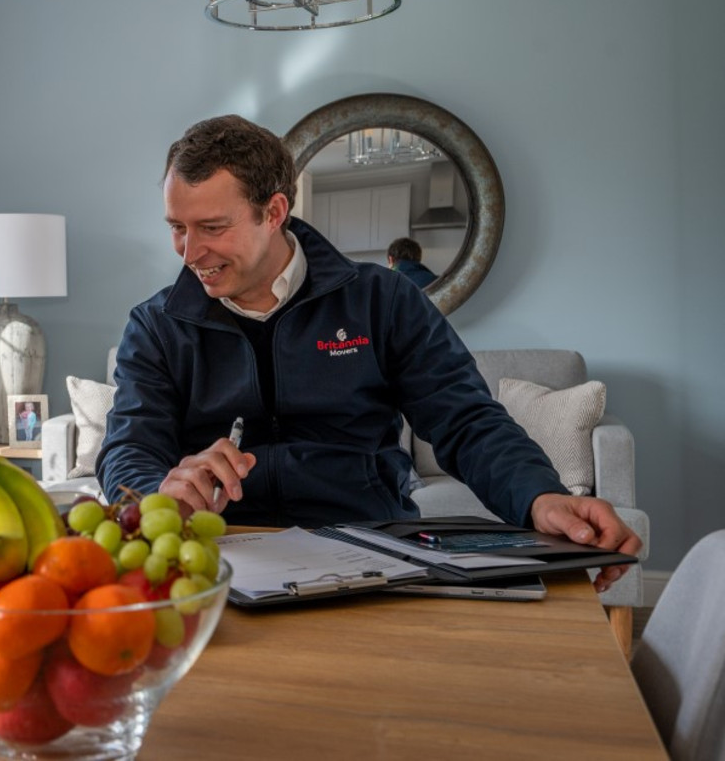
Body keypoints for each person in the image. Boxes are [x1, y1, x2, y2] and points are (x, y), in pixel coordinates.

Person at [95, 115, 640, 591]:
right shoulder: (156, 325)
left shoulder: (383, 300)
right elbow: (128, 448)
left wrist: (539, 496)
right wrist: (156, 493)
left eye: (212, 228)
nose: (190, 253)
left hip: (371, 549)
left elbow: (466, 420)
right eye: (177, 228)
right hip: (221, 559)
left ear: (274, 211)